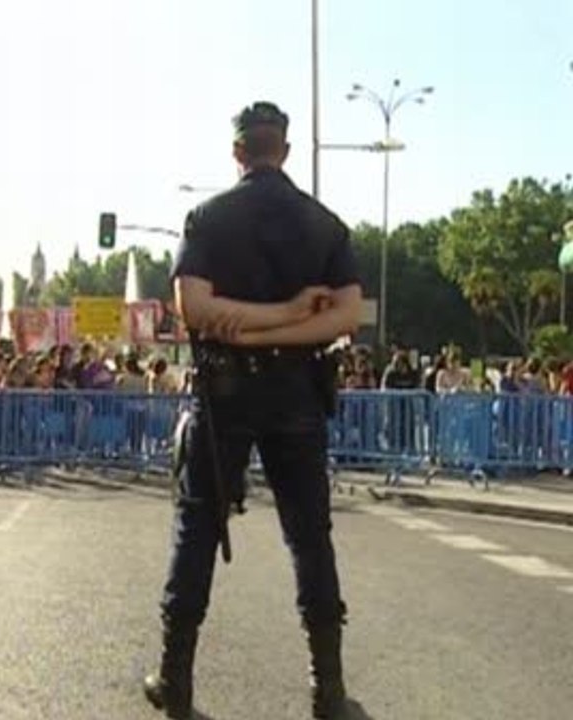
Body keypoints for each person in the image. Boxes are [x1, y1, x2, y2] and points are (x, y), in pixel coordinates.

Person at [143, 102, 362, 720]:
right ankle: (329, 692)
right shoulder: (325, 225)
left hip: (224, 391)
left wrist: (244, 332)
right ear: (284, 151)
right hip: (297, 391)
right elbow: (345, 318)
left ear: (236, 152)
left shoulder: (208, 219)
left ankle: (176, 683)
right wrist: (293, 315)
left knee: (197, 530)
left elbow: (195, 309)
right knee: (310, 538)